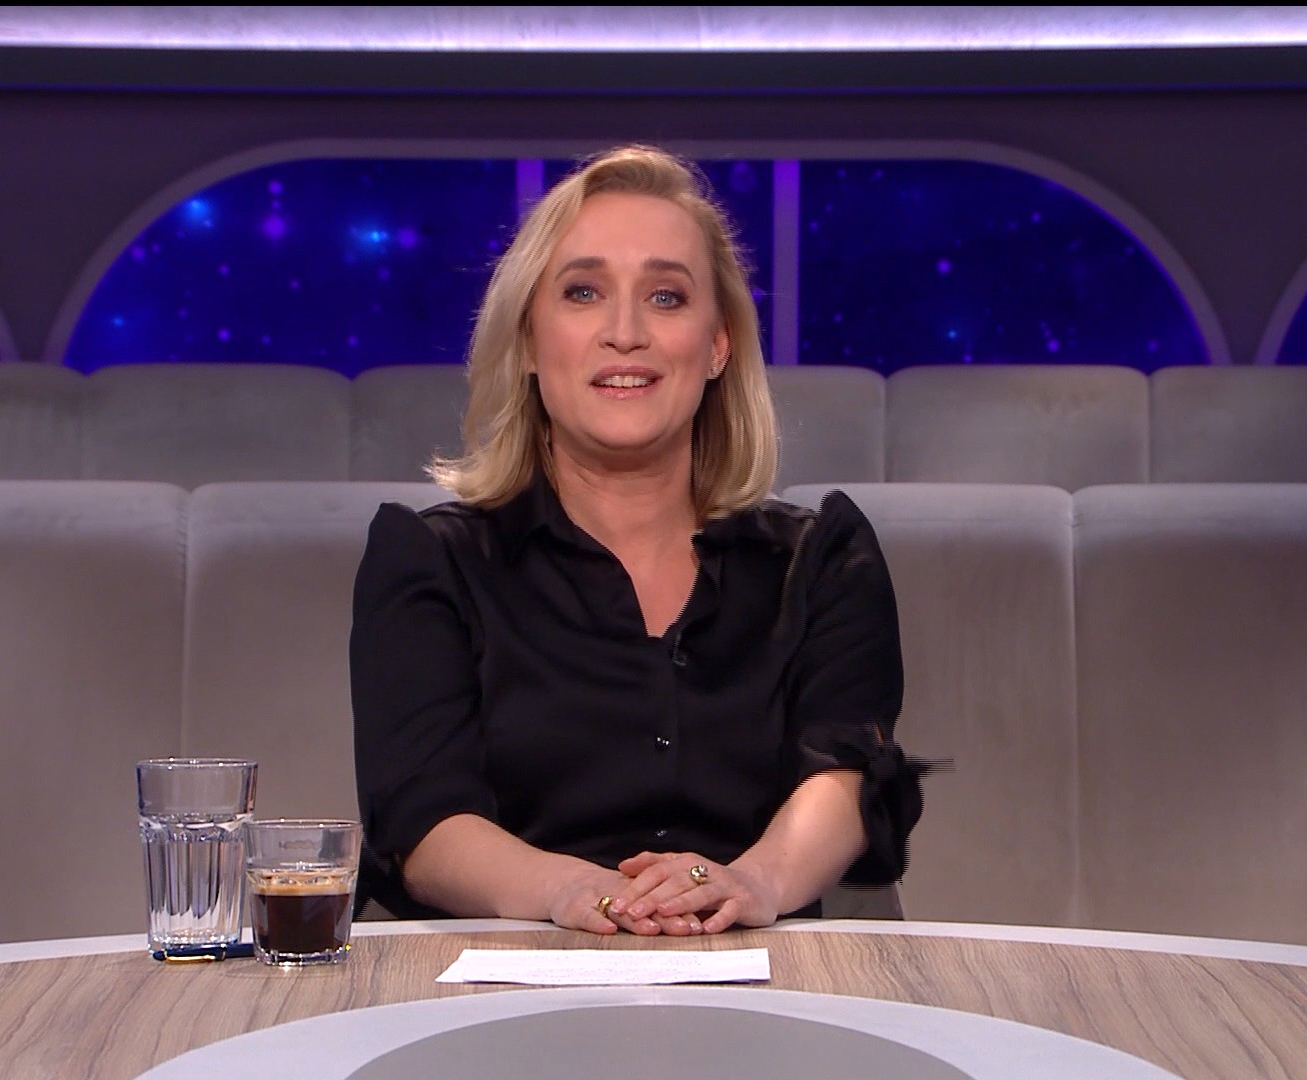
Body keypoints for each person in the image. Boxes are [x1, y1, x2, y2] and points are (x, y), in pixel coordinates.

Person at [351, 145, 923, 936]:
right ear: (528, 340)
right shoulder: (429, 561)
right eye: (583, 292)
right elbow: (421, 817)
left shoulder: (821, 560)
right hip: (498, 978)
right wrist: (573, 893)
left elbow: (848, 774)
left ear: (717, 345)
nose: (625, 333)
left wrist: (752, 881)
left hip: (756, 972)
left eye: (666, 297)